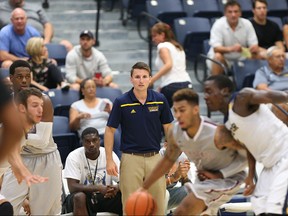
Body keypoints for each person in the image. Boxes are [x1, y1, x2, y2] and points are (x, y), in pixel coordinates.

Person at [140, 88, 247, 215]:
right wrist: (144, 187)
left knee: (186, 209)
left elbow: (246, 154)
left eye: (182, 110)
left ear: (195, 110)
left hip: (229, 179)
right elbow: (166, 161)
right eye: (175, 111)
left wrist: (221, 174)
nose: (178, 115)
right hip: (205, 182)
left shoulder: (217, 133)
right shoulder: (176, 133)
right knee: (182, 211)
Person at [104, 62, 174, 215]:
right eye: (137, 77)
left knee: (158, 205)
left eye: (144, 77)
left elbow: (169, 127)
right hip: (130, 158)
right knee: (130, 206)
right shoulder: (121, 102)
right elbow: (109, 130)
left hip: (155, 158)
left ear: (150, 79)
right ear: (131, 79)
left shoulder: (160, 99)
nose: (141, 80)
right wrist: (109, 159)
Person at [1, 60, 63, 215]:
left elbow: (41, 142)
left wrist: (14, 132)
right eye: (19, 76)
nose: (24, 80)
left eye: (27, 76)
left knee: (45, 212)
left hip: (45, 158)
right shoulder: (6, 103)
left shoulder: (44, 100)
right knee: (7, 205)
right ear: (11, 78)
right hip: (19, 159)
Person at [217, 88, 288, 215]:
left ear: (224, 91)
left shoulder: (242, 98)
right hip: (269, 165)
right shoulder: (229, 123)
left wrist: (284, 97)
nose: (205, 97)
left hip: (284, 155)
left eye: (209, 91)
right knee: (259, 207)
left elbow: (270, 95)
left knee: (274, 208)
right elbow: (250, 147)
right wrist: (250, 176)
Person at [0, 82, 47, 215]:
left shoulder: (23, 133)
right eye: (35, 105)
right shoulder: (12, 130)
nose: (40, 110)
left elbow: (6, 165)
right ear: (22, 108)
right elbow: (11, 155)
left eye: (41, 105)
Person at [63, 127, 122, 215]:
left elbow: (123, 181)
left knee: (126, 194)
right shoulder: (73, 156)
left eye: (94, 140)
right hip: (83, 198)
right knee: (79, 197)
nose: (91, 144)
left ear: (99, 140)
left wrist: (115, 188)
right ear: (82, 142)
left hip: (105, 196)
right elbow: (72, 187)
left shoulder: (110, 155)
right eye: (87, 141)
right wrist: (98, 188)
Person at [207, 0, 259, 75]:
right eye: (230, 12)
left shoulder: (247, 24)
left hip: (241, 55)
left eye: (236, 11)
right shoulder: (218, 24)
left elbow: (254, 44)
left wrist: (253, 48)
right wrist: (232, 49)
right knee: (217, 56)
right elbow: (216, 48)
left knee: (259, 54)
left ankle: (259, 82)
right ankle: (215, 84)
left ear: (240, 13)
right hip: (224, 57)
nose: (233, 15)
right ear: (225, 14)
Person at [0, 0, 73, 51]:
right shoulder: (1, 8)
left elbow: (48, 25)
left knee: (67, 45)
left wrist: (46, 42)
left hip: (41, 40)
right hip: (15, 43)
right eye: (17, 19)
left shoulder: (35, 7)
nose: (19, 20)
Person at [150, 22, 192, 107]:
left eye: (154, 36)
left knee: (158, 116)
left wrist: (152, 80)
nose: (153, 39)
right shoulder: (178, 47)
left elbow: (169, 65)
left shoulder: (162, 46)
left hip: (171, 86)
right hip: (187, 84)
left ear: (162, 35)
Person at [159, 142, 192, 210]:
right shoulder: (157, 156)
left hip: (170, 195)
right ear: (166, 145)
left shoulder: (182, 158)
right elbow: (153, 188)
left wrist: (184, 177)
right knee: (166, 194)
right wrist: (173, 178)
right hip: (153, 196)